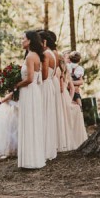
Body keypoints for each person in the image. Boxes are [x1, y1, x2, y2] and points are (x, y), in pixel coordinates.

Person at [15, 30, 46, 169]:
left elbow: (29, 79)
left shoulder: (30, 57)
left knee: (29, 122)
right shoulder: (36, 56)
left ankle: (30, 160)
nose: (22, 41)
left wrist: (16, 85)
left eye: (23, 39)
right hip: (34, 91)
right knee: (32, 123)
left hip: (29, 91)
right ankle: (33, 158)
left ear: (29, 41)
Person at [39, 31, 58, 161]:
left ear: (44, 42)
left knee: (44, 116)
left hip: (45, 86)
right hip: (50, 85)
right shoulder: (53, 53)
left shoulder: (45, 54)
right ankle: (48, 147)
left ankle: (44, 149)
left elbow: (44, 75)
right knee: (48, 116)